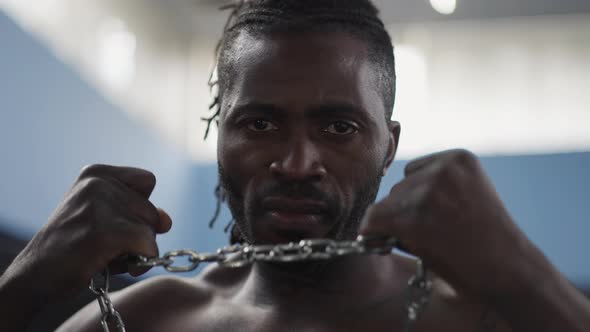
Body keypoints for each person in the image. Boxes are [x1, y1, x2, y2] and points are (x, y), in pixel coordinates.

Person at [2, 0, 589, 331]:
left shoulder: (481, 320)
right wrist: (24, 284)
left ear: (389, 146)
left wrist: (526, 276)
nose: (297, 162)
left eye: (339, 127)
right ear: (219, 140)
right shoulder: (143, 322)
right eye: (259, 124)